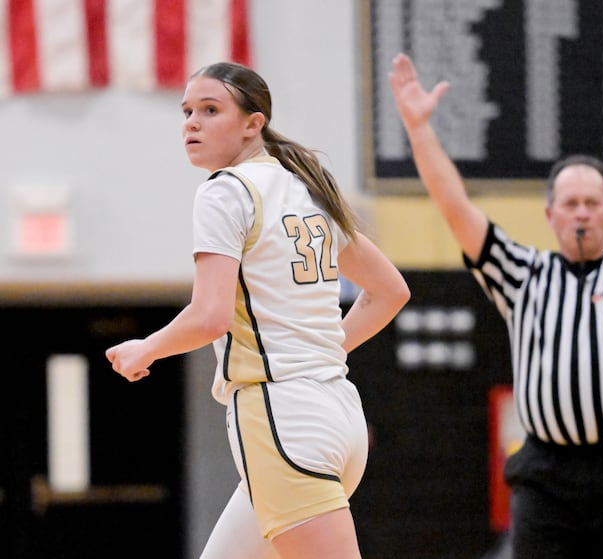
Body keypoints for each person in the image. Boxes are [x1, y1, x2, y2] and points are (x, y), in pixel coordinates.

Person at [389, 31, 603, 559]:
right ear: (550, 215)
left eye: (592, 202)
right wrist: (418, 127)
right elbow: (455, 208)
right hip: (546, 472)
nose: (582, 212)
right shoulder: (521, 272)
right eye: (570, 203)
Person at [105, 61, 410, 559]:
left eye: (210, 109)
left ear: (254, 123)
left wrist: (148, 348)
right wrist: (319, 348)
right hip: (337, 418)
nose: (192, 123)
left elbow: (210, 316)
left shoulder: (226, 190)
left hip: (283, 419)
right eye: (186, 112)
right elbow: (390, 291)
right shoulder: (306, 188)